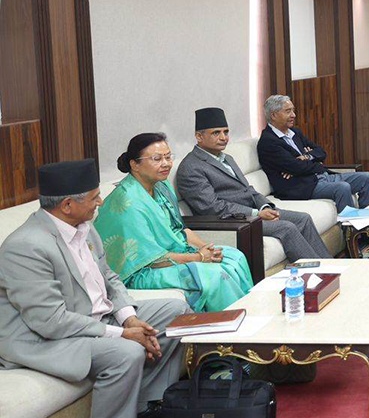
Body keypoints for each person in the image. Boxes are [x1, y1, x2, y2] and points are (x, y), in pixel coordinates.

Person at [0, 159, 189, 418]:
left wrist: (129, 317)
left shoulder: (84, 228)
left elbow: (109, 277)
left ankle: (143, 404)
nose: (100, 202)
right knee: (126, 351)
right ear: (67, 205)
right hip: (44, 338)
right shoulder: (26, 247)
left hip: (95, 318)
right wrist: (123, 333)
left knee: (176, 311)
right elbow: (50, 321)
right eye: (94, 197)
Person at [94, 133, 253, 313]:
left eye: (168, 157)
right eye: (157, 159)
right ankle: (229, 324)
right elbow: (150, 259)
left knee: (234, 256)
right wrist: (199, 257)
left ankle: (249, 313)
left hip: (176, 253)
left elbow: (179, 229)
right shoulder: (127, 204)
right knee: (214, 275)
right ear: (134, 164)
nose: (166, 163)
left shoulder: (161, 187)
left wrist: (206, 249)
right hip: (142, 271)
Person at [176, 107, 331, 263]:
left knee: (303, 218)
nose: (223, 137)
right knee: (286, 227)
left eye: (226, 132)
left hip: (253, 213)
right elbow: (212, 207)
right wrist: (256, 213)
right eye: (216, 133)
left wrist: (265, 207)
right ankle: (317, 271)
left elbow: (247, 189)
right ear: (199, 136)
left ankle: (330, 266)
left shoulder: (227, 158)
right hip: (232, 220)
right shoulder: (191, 167)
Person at [257, 94, 369, 212]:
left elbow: (321, 151)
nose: (293, 115)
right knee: (342, 187)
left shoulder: (294, 132)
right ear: (273, 115)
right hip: (301, 186)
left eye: (293, 110)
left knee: (367, 178)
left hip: (321, 176)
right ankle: (352, 226)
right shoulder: (269, 142)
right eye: (288, 111)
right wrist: (315, 163)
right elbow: (297, 167)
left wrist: (307, 156)